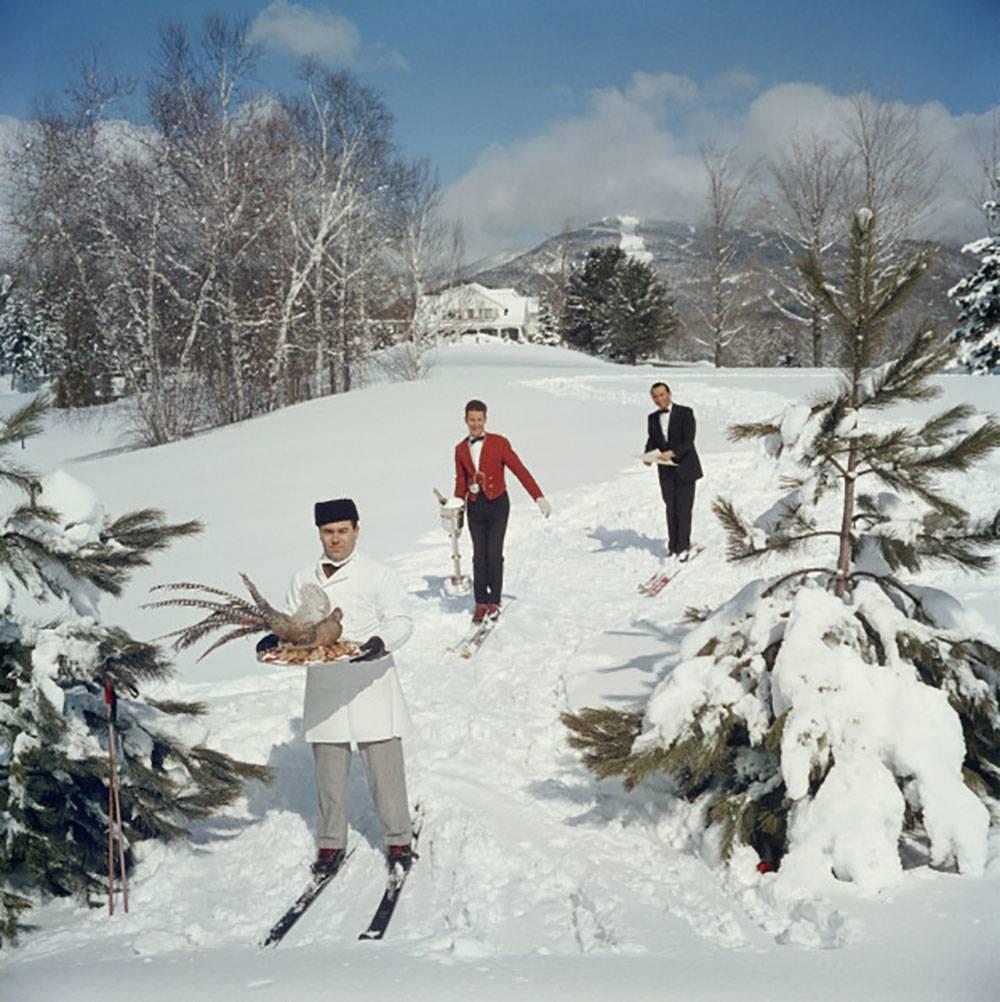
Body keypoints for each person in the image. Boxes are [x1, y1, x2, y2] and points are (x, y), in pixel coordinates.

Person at [275, 497, 415, 876]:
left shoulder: (379, 574)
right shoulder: (303, 577)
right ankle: (330, 843)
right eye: (328, 532)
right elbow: (291, 624)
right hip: (325, 685)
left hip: (371, 679)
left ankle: (399, 837)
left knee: (384, 768)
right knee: (330, 773)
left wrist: (380, 643)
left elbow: (401, 619)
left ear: (356, 529)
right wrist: (274, 641)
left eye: (342, 531)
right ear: (318, 533)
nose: (335, 539)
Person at [453, 399, 551, 623]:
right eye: (471, 420)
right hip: (475, 506)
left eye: (479, 419)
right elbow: (460, 481)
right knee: (479, 555)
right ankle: (480, 602)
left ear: (485, 419)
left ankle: (494, 600)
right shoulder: (460, 449)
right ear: (465, 421)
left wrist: (538, 496)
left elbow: (519, 470)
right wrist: (457, 505)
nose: (475, 424)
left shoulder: (499, 443)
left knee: (494, 553)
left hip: (498, 504)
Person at [643, 382, 703, 560]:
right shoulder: (652, 418)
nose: (659, 399)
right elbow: (652, 440)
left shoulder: (685, 412)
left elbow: (688, 440)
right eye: (655, 396)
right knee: (671, 507)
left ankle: (683, 546)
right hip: (666, 470)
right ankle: (673, 546)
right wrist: (647, 456)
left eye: (662, 395)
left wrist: (673, 452)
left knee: (684, 508)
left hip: (686, 468)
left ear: (669, 394)